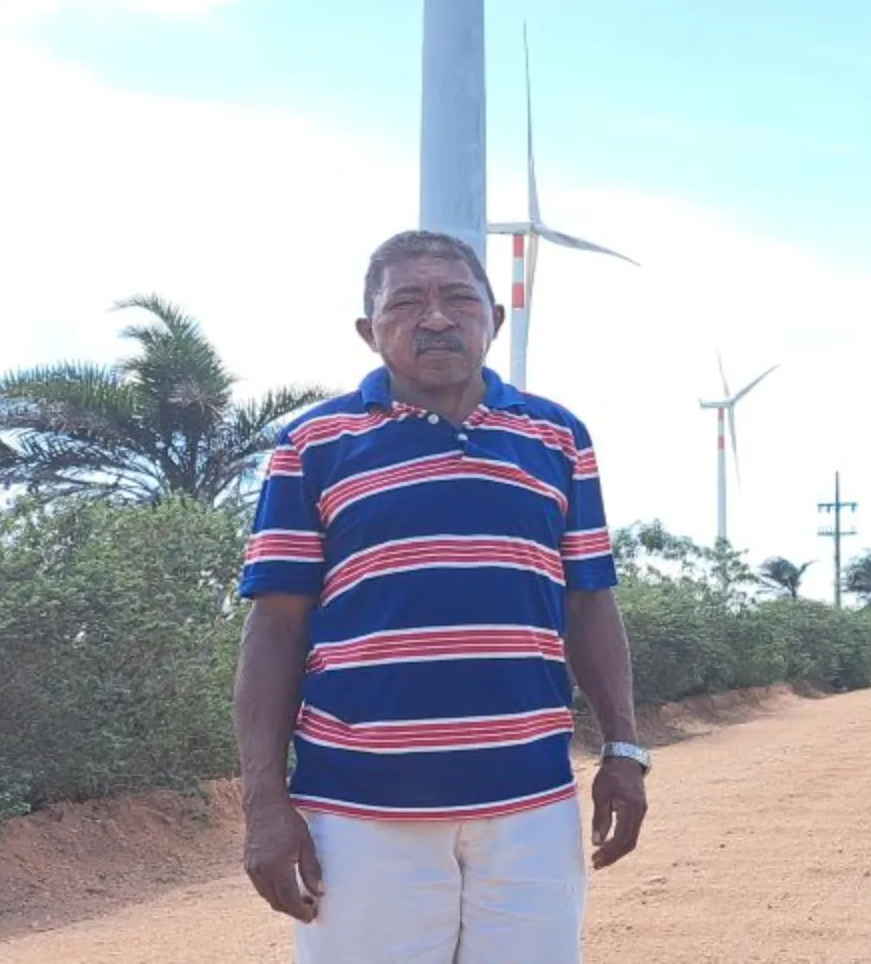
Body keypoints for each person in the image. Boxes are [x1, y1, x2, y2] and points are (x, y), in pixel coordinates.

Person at [231, 229, 648, 962]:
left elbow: (590, 602)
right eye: (408, 302)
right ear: (369, 331)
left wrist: (623, 748)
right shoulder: (312, 445)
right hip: (359, 812)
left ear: (495, 316)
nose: (436, 318)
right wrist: (264, 802)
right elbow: (275, 627)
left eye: (458, 298)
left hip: (532, 806)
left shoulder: (557, 438)